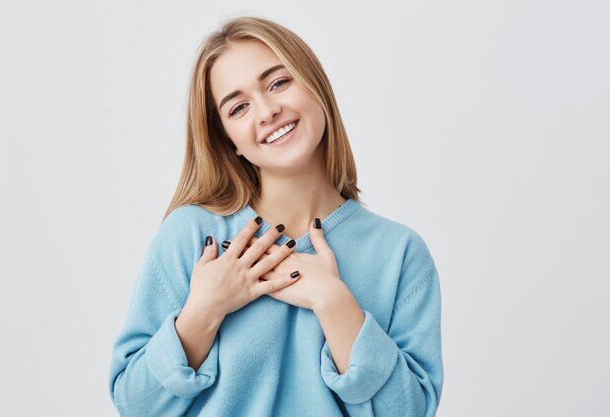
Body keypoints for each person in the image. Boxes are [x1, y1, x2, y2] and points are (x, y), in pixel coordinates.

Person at [108, 15, 443, 417]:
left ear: (315, 84)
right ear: (227, 140)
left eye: (278, 82)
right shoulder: (193, 236)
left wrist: (334, 301)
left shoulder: (399, 253)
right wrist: (204, 310)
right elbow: (135, 404)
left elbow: (408, 412)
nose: (266, 111)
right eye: (238, 107)